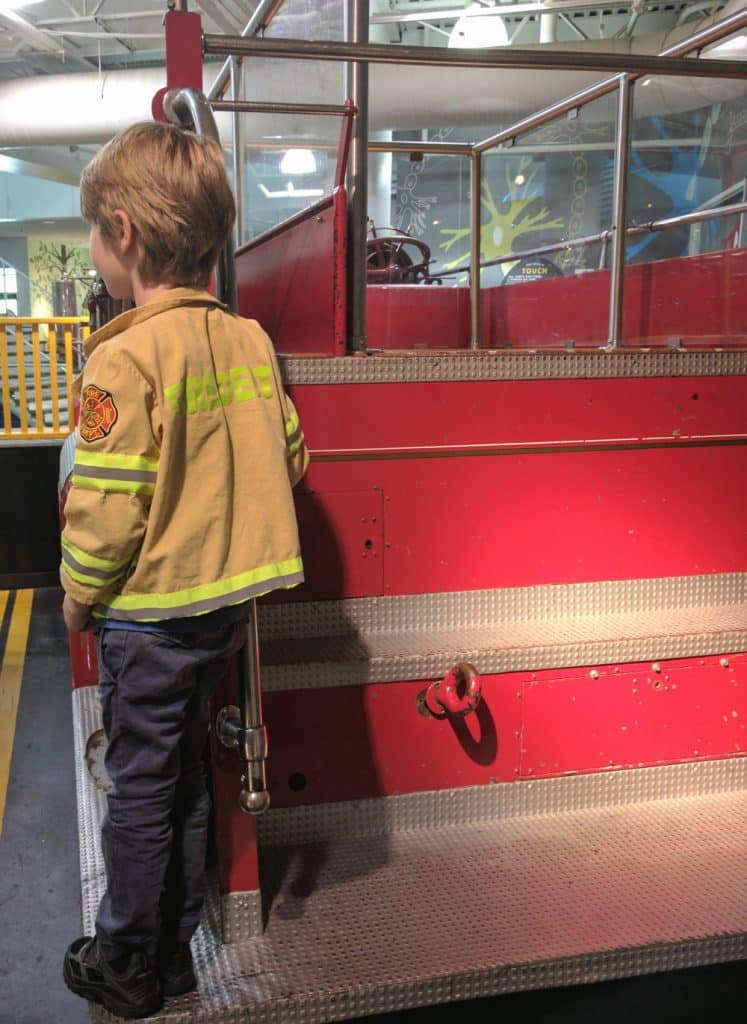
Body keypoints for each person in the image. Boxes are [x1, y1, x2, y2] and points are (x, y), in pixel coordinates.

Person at [60, 121, 309, 1019]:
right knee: (191, 777)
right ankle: (172, 952)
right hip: (222, 615)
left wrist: (78, 597)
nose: (94, 247)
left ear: (122, 234)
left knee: (139, 789)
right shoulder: (248, 341)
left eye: (92, 230)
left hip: (147, 621)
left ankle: (125, 957)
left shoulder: (122, 358)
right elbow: (289, 456)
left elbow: (105, 506)